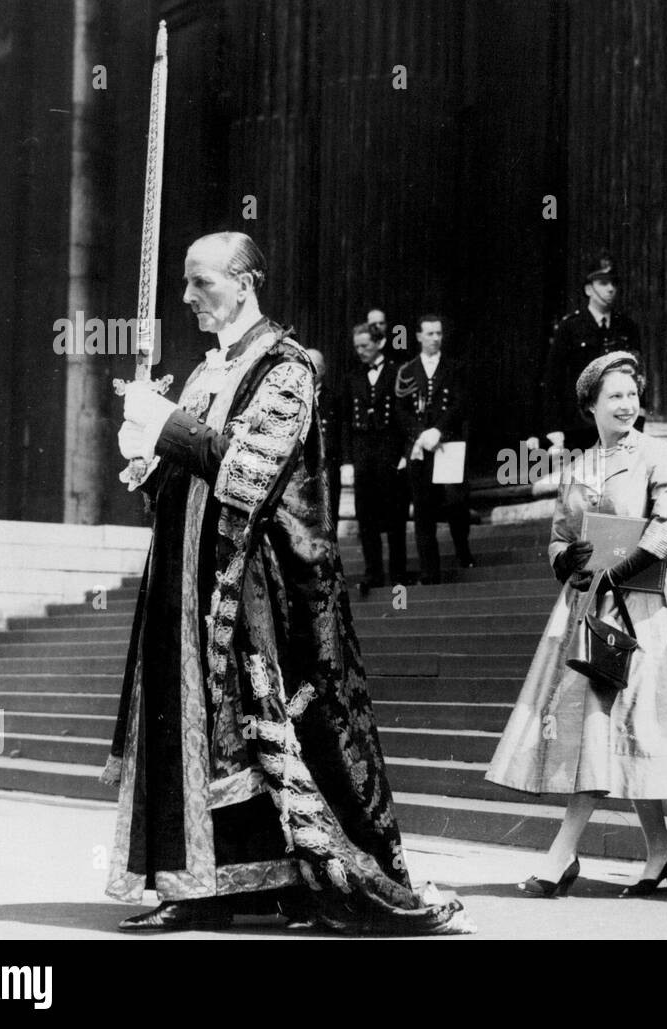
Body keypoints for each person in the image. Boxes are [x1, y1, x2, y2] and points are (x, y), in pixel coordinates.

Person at [108, 231, 471, 935]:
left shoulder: (288, 367)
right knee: (205, 742)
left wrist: (168, 427)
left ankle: (311, 886)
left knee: (274, 741)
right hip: (188, 588)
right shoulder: (204, 373)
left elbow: (249, 472)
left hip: (260, 594)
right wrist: (147, 452)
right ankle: (204, 886)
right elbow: (188, 481)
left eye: (201, 282)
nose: (187, 298)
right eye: (184, 283)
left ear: (246, 282)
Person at [486, 352, 667, 897]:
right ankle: (660, 853)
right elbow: (560, 536)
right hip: (586, 610)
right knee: (612, 727)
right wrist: (564, 560)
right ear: (591, 404)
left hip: (639, 611)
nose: (627, 404)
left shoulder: (657, 452)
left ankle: (562, 855)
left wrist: (621, 566)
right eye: (614, 396)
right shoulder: (579, 466)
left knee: (608, 724)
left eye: (632, 394)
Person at [394, 314, 474, 584]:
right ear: (418, 336)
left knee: (456, 502)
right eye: (429, 334)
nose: (435, 338)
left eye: (439, 333)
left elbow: (460, 404)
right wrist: (419, 434)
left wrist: (438, 429)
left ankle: (463, 552)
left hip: (447, 443)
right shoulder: (407, 371)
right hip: (418, 448)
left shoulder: (455, 367)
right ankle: (430, 571)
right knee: (423, 510)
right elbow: (401, 411)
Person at [536, 253, 643, 453]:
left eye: (613, 283)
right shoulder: (570, 328)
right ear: (588, 289)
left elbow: (638, 379)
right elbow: (553, 380)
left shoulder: (628, 328)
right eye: (603, 283)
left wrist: (639, 424)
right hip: (580, 428)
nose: (611, 289)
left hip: (620, 426)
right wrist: (554, 429)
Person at [341, 322, 409, 596]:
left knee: (394, 516)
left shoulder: (397, 373)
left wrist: (405, 453)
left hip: (390, 451)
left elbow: (406, 418)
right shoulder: (351, 377)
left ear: (380, 343)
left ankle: (398, 574)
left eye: (365, 346)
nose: (360, 352)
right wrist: (347, 460)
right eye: (357, 347)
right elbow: (345, 422)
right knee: (365, 516)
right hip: (363, 453)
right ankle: (373, 573)